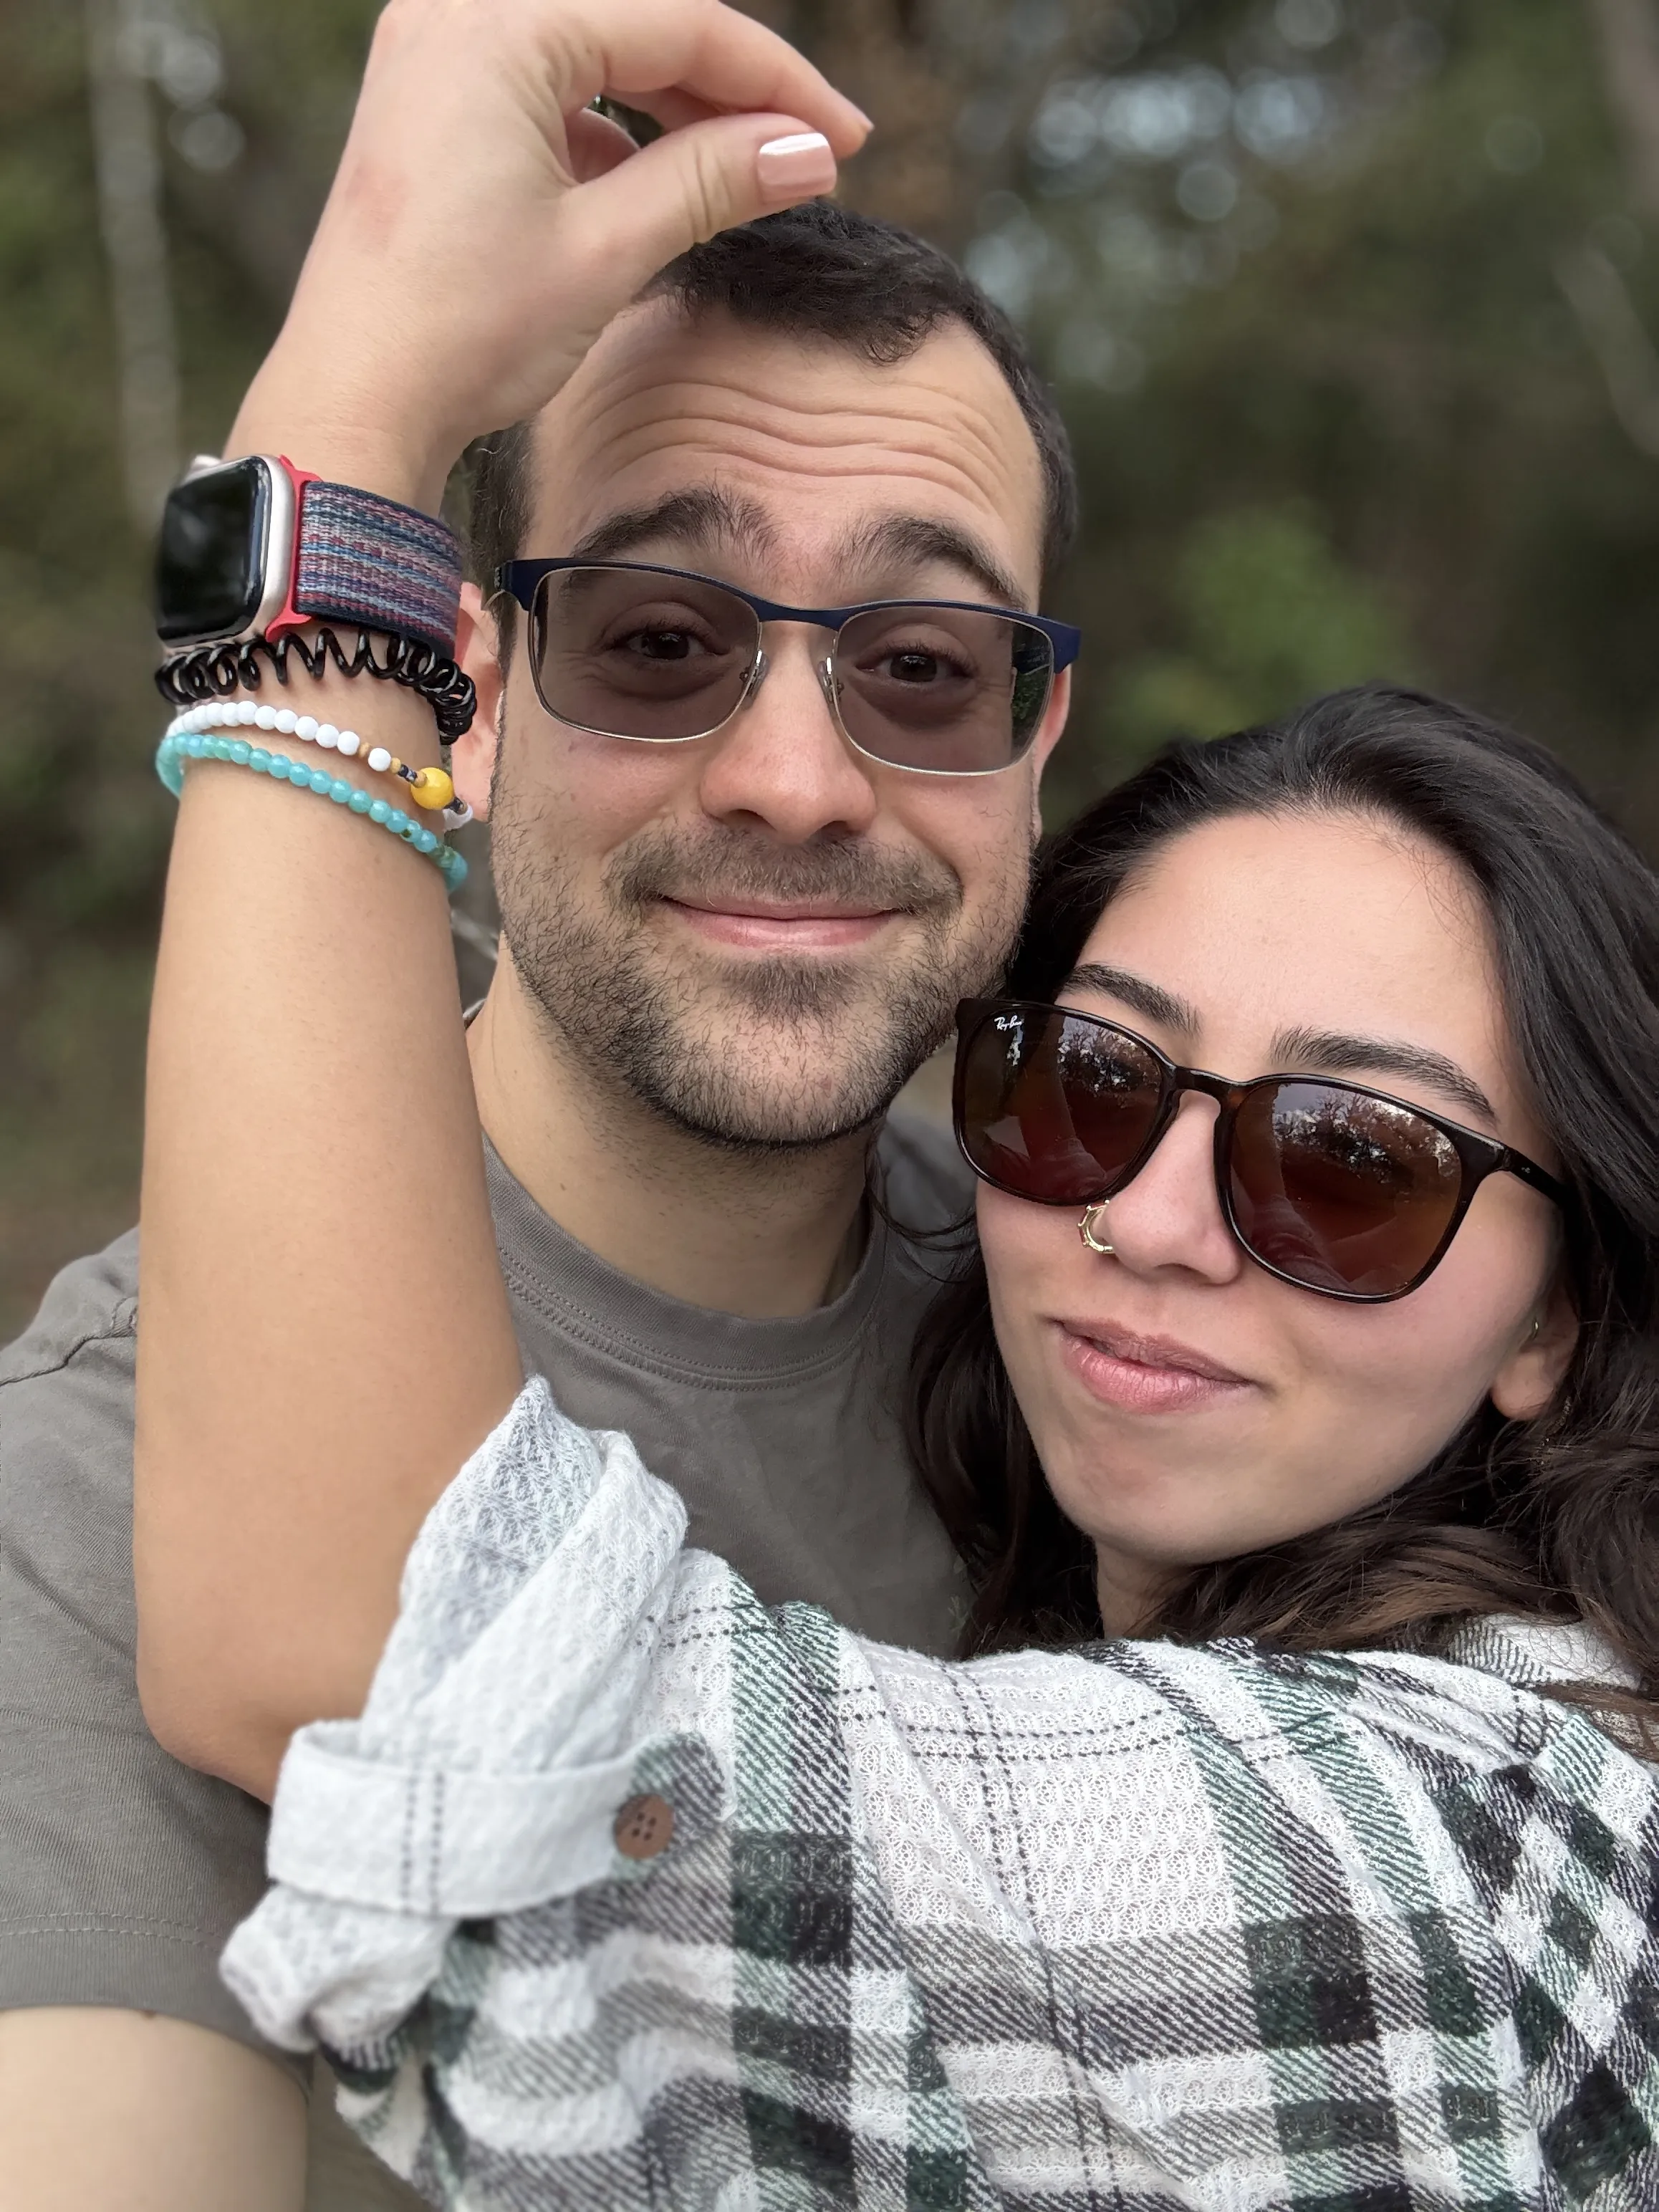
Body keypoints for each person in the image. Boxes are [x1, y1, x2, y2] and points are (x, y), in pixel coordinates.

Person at [0, 2, 1078, 2203]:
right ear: (461, 705)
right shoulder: (98, 1477)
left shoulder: (1149, 1346)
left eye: (922, 668)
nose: (795, 779)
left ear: (1032, 756)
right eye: (660, 643)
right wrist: (354, 402)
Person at [141, 664, 1659, 2204]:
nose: (1145, 1220)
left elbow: (392, 1663)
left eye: (1349, 1160)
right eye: (1089, 1080)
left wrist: (313, 547)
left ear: (1556, 1318)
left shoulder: (1475, 1841)